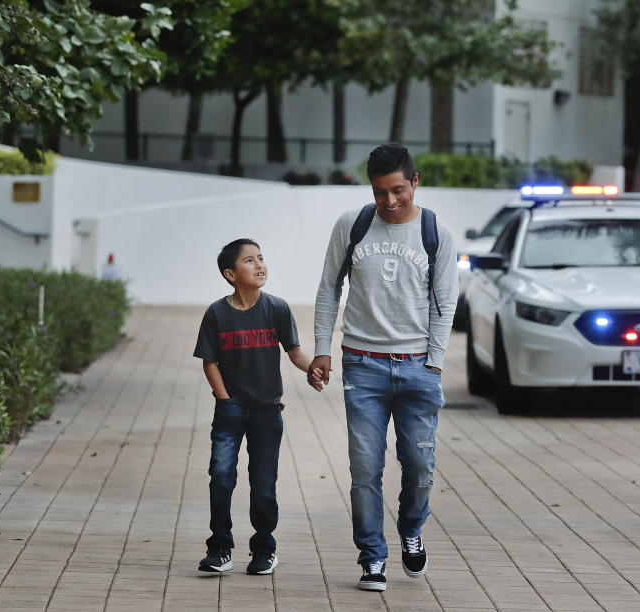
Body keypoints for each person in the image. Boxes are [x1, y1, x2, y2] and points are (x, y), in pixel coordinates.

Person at [308, 143, 458, 591]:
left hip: (417, 367)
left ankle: (411, 528)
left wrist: (434, 363)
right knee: (364, 467)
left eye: (398, 190)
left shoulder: (435, 231)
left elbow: (445, 303)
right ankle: (372, 557)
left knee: (419, 465)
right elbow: (328, 289)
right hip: (363, 365)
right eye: (379, 192)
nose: (390, 202)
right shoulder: (352, 226)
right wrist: (322, 349)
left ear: (414, 182)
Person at [194, 238, 317, 575]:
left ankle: (264, 548)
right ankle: (219, 547)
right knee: (221, 476)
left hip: (267, 411)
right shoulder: (217, 314)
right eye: (249, 261)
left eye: (261, 258)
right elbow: (209, 362)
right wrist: (224, 399)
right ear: (231, 274)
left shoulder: (276, 308)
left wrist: (313, 369)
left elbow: (294, 351)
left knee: (263, 482)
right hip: (230, 409)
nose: (259, 265)